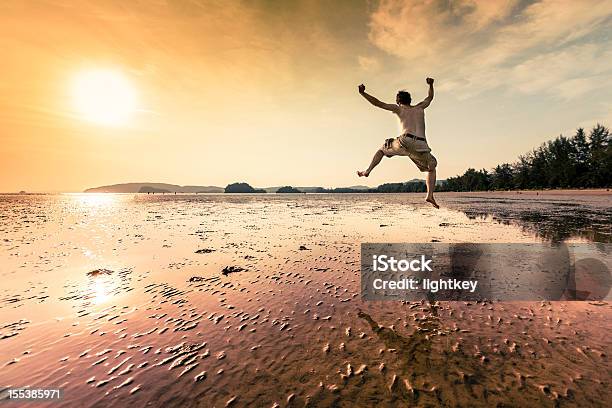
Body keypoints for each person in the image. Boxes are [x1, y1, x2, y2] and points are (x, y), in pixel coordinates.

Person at [357, 78, 439, 209]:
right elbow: (430, 97)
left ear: (398, 101)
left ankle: (367, 171)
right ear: (410, 100)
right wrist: (431, 84)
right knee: (432, 166)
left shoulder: (399, 109)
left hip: (404, 141)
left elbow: (378, 103)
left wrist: (363, 93)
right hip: (421, 145)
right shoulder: (420, 107)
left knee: (382, 150)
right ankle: (430, 195)